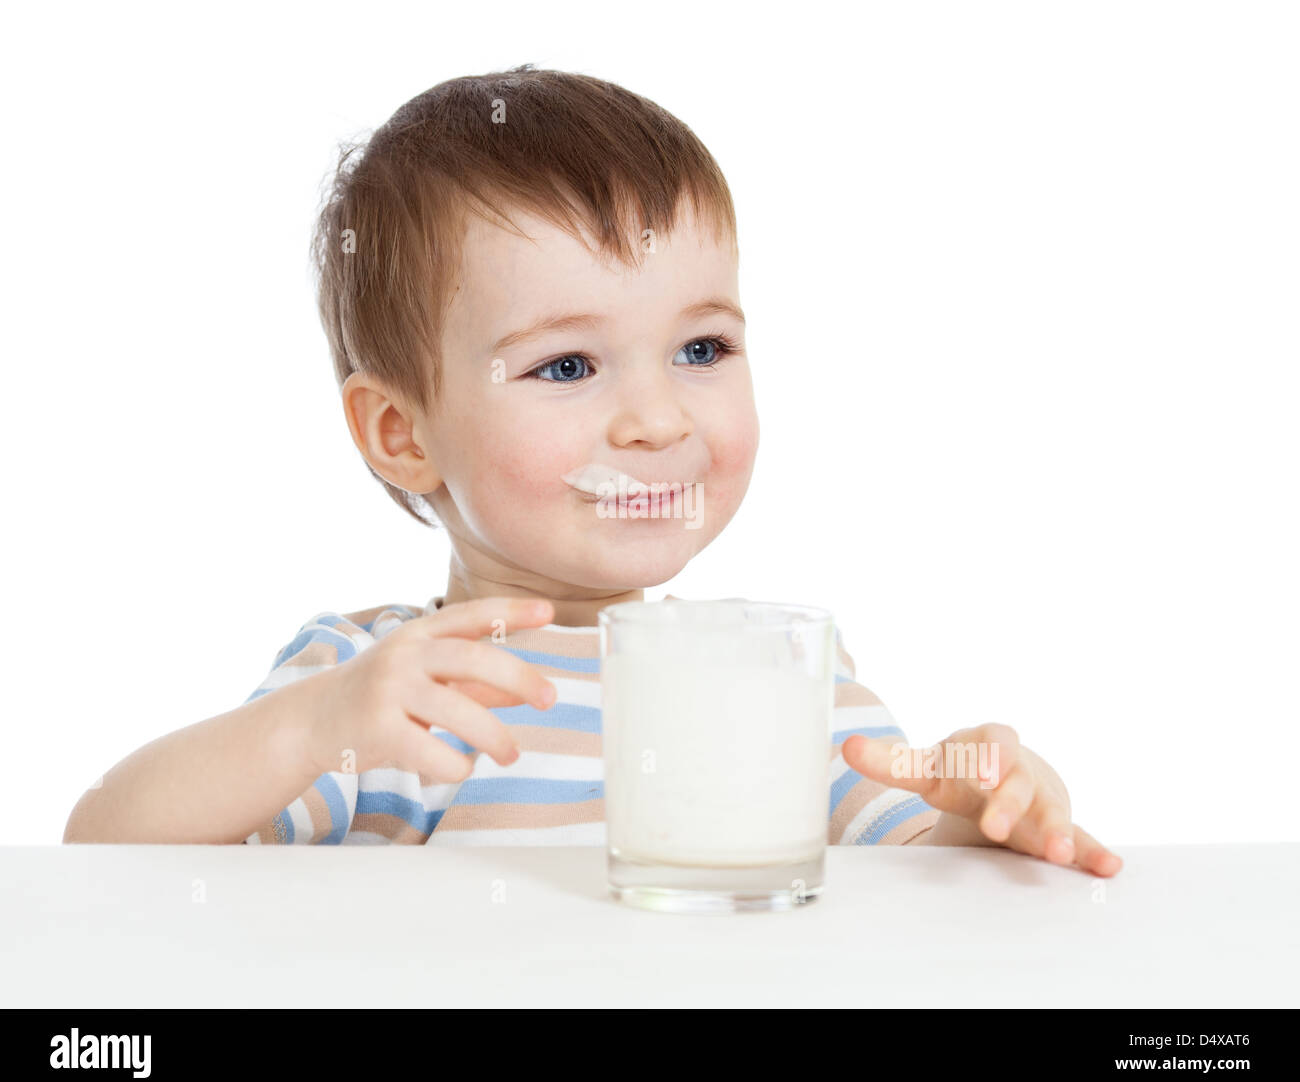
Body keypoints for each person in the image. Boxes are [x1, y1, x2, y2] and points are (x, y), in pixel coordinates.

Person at [63, 65, 1121, 877]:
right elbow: (107, 852)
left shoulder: (775, 673)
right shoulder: (385, 682)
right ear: (400, 433)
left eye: (701, 349)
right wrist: (313, 723)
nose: (658, 419)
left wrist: (988, 809)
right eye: (566, 366)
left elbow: (907, 872)